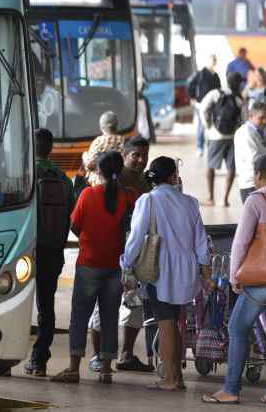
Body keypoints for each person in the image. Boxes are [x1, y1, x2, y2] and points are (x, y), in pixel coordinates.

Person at [122, 156, 212, 392]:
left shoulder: (148, 200)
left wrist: (127, 262)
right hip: (187, 270)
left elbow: (136, 236)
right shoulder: (190, 202)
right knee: (175, 322)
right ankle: (178, 377)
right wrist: (205, 272)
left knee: (165, 324)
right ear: (173, 177)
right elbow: (201, 240)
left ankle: (170, 379)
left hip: (160, 270)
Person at [203, 154, 266, 406]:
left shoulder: (256, 200)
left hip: (261, 278)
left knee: (237, 327)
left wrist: (233, 276)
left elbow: (240, 242)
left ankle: (230, 389)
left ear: (259, 174)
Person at [51, 151, 137, 385]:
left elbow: (75, 226)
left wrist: (89, 239)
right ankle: (106, 371)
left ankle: (73, 368)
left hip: (89, 264)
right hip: (116, 266)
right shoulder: (130, 197)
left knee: (80, 317)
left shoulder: (88, 194)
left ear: (98, 170)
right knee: (110, 317)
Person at [87, 136, 153, 373]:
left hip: (136, 255)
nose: (141, 160)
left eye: (144, 155)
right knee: (102, 307)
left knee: (135, 306)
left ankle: (126, 355)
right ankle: (96, 355)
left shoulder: (146, 182)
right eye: (136, 155)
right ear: (125, 156)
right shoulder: (113, 179)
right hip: (110, 255)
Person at [19, 128, 75, 378]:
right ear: (51, 148)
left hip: (23, 251)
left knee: (10, 302)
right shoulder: (63, 178)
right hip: (52, 250)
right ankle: (39, 360)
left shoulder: (24, 174)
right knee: (46, 306)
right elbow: (72, 217)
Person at [200, 71, 246, 207]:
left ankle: (211, 197)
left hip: (216, 135)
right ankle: (225, 199)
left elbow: (203, 108)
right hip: (232, 136)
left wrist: (208, 125)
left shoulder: (215, 93)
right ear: (238, 84)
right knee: (231, 167)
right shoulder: (238, 99)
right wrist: (236, 131)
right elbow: (244, 119)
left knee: (210, 166)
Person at [235, 102, 266, 202]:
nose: (265, 121)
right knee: (254, 215)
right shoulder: (245, 133)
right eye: (261, 118)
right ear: (251, 116)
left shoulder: (255, 130)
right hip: (251, 183)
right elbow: (254, 159)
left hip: (258, 180)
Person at [188, 54, 222, 156]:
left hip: (213, 105)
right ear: (208, 61)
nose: (214, 62)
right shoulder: (201, 73)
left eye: (215, 60)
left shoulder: (215, 76)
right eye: (212, 60)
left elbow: (219, 89)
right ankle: (200, 147)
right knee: (201, 126)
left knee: (212, 125)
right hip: (201, 104)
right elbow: (190, 85)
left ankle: (210, 146)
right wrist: (193, 97)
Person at [82, 111, 124, 187]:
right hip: (119, 183)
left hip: (99, 184)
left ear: (102, 127)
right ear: (116, 125)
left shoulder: (98, 141)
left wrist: (84, 156)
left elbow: (90, 164)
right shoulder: (123, 141)